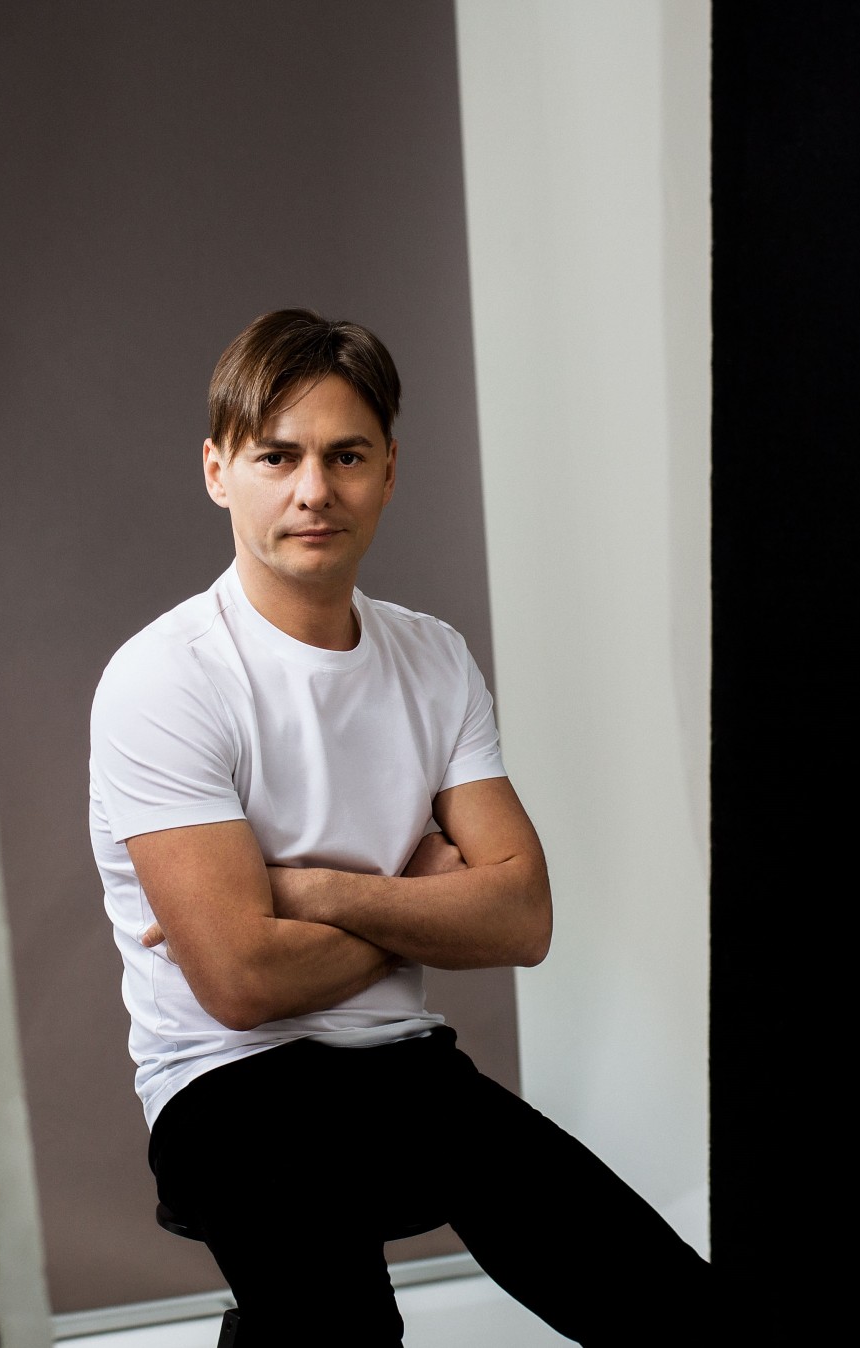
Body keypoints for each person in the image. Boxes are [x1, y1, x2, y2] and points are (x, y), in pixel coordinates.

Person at [89, 310, 708, 1345]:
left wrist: (309, 890)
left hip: (403, 1066)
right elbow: (239, 983)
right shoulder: (164, 679)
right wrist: (420, 899)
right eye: (277, 456)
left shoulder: (432, 657)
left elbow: (522, 918)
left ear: (387, 472)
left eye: (346, 456)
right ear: (217, 470)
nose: (313, 490)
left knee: (677, 1310)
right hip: (224, 1089)